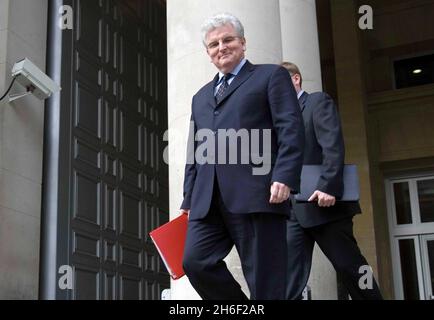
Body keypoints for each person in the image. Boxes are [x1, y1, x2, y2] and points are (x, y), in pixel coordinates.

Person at [179, 14, 304, 300]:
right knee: (195, 262)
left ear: (243, 43)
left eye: (228, 40)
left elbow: (291, 129)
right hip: (207, 201)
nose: (221, 47)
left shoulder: (271, 76)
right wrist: (188, 197)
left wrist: (284, 176)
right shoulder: (200, 96)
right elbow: (194, 150)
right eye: (214, 44)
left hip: (258, 193)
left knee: (266, 282)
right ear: (208, 53)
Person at [281, 62, 383, 300]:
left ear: (295, 80)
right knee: (287, 278)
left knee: (352, 267)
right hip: (292, 210)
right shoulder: (279, 119)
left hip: (324, 205)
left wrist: (327, 186)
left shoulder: (317, 102)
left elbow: (332, 146)